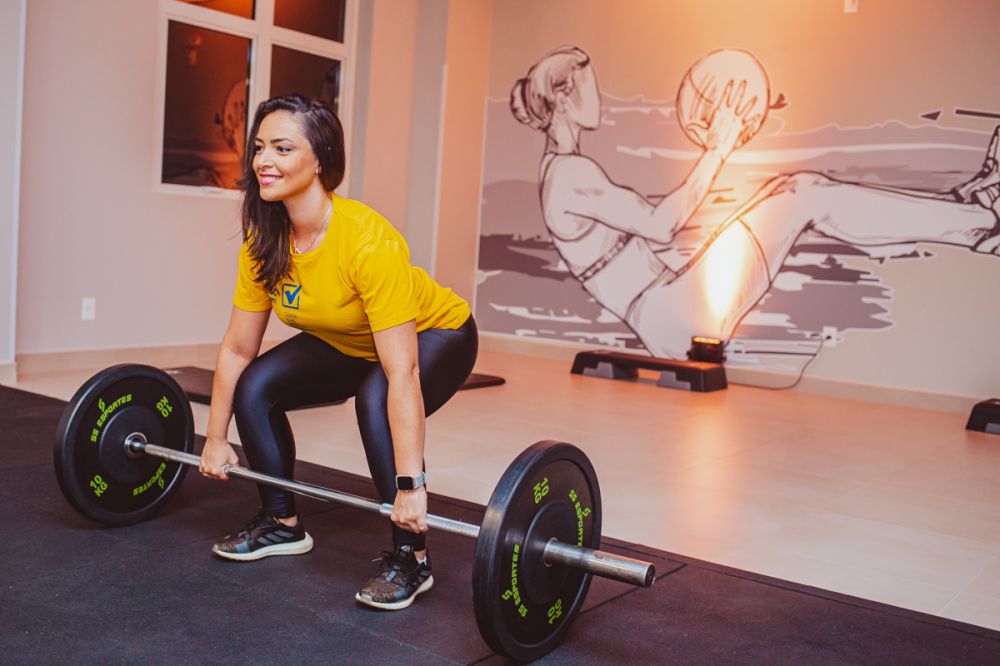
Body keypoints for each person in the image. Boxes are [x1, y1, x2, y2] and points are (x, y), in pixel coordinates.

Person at [511, 46, 1000, 359]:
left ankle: (964, 210)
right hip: (667, 312)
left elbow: (645, 243)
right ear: (564, 97)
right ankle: (978, 222)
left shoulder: (565, 169)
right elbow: (661, 225)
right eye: (592, 86)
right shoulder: (570, 175)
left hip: (665, 305)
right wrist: (718, 147)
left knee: (793, 190)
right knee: (803, 193)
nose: (601, 96)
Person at [198, 94, 477, 611]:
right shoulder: (265, 240)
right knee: (256, 386)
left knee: (376, 399)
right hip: (350, 339)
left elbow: (402, 372)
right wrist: (214, 438)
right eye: (259, 147)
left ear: (321, 161)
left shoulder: (368, 242)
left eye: (283, 148)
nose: (264, 160)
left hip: (439, 333)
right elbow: (237, 349)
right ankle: (281, 522)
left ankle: (412, 557)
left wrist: (412, 487)